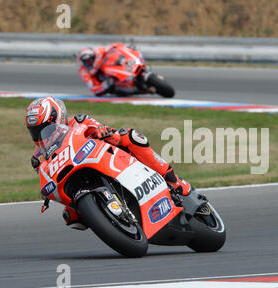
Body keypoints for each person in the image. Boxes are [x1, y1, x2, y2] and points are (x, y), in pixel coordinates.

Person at [25, 96, 191, 230]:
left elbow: (104, 129)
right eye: (35, 130)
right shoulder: (39, 155)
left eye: (45, 126)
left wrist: (104, 132)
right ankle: (110, 218)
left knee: (131, 137)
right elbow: (46, 176)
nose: (40, 133)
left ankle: (174, 181)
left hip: (106, 158)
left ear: (57, 117)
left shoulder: (78, 121)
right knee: (72, 218)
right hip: (76, 179)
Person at [77, 43, 147, 96]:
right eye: (85, 61)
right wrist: (104, 85)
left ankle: (136, 70)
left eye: (89, 60)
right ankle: (131, 90)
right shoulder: (84, 71)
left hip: (115, 68)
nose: (88, 63)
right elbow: (94, 90)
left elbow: (114, 46)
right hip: (109, 83)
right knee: (114, 88)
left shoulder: (99, 51)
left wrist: (127, 47)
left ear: (93, 56)